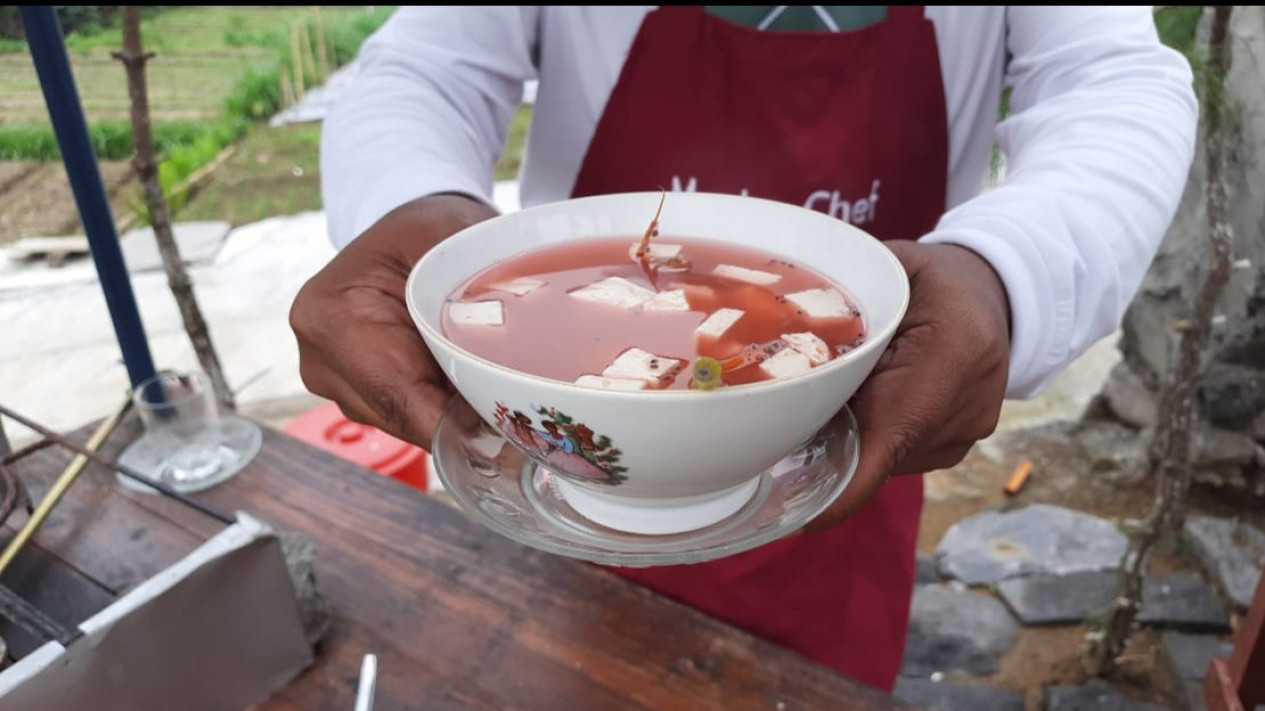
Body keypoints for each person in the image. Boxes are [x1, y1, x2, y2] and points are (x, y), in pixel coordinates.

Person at [291, 6, 1197, 692]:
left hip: (863, 422)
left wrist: (1007, 273)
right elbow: (423, 67)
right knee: (578, 672)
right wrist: (418, 210)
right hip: (559, 457)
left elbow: (1110, 81)